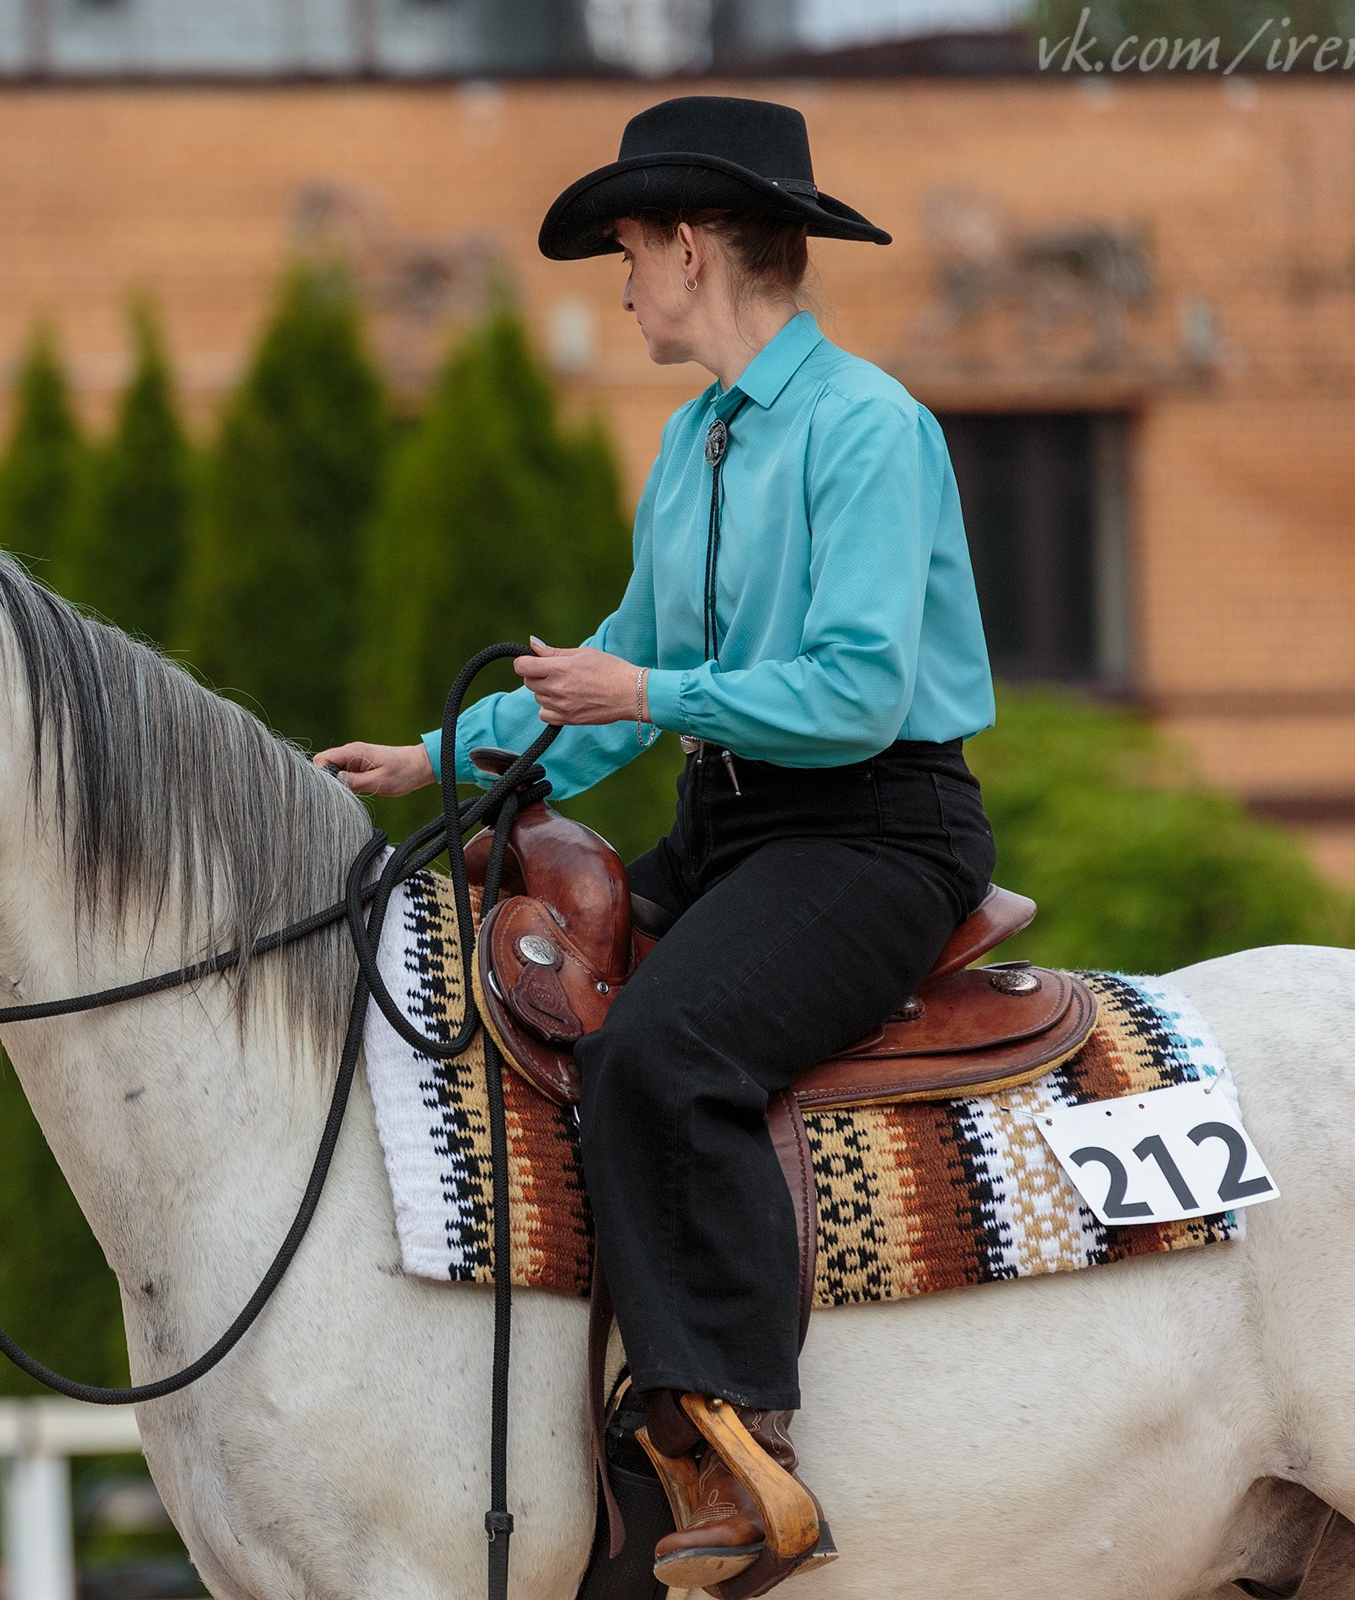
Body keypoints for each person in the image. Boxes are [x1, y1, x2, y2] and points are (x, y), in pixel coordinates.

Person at [315, 95, 997, 1596]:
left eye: (630, 253)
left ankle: (740, 1451)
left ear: (694, 247)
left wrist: (651, 690)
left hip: (879, 831)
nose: (622, 286)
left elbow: (858, 687)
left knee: (666, 1053)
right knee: (509, 1016)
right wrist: (436, 759)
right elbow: (620, 684)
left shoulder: (871, 429)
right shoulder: (695, 440)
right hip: (737, 828)